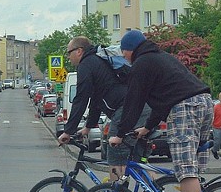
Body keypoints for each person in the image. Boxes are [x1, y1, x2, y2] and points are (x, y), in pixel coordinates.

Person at [109, 29, 214, 192]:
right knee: (194, 169)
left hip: (185, 109)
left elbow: (134, 102)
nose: (124, 58)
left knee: (184, 169)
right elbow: (163, 100)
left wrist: (120, 134)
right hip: (205, 103)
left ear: (129, 50)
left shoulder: (141, 64)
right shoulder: (162, 58)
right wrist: (147, 128)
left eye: (123, 54)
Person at [57, 36, 151, 183]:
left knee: (113, 150)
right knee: (138, 163)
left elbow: (81, 98)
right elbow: (95, 100)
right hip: (141, 107)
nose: (68, 57)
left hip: (126, 108)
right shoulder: (97, 61)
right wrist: (88, 127)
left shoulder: (86, 65)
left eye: (69, 53)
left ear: (79, 51)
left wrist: (68, 131)